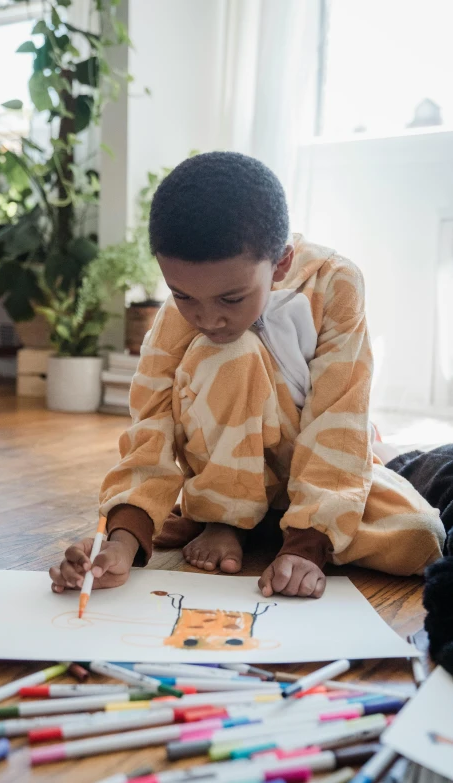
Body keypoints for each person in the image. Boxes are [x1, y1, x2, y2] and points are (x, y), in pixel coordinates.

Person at [50, 152, 445, 600]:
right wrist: (120, 542)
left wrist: (307, 546)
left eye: (232, 299)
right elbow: (150, 425)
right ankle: (223, 518)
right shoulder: (184, 315)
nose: (206, 317)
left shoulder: (336, 284)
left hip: (312, 472)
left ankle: (277, 527)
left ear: (280, 263)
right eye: (183, 296)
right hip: (223, 473)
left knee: (420, 537)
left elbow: (340, 416)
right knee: (228, 352)